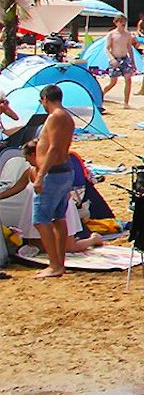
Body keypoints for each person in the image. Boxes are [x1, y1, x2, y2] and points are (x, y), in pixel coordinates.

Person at [28, 87, 76, 278]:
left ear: (45, 99)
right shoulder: (67, 117)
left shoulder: (55, 117)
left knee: (41, 220)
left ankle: (55, 265)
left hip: (54, 173)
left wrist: (40, 175)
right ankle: (59, 264)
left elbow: (54, 148)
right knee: (58, 218)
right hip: (63, 171)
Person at [103, 14, 138, 107]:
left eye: (124, 21)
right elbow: (107, 48)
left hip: (124, 58)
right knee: (113, 82)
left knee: (128, 79)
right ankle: (101, 94)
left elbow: (129, 48)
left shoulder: (127, 34)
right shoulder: (112, 34)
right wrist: (112, 59)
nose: (123, 23)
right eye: (121, 21)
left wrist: (133, 62)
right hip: (115, 58)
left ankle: (126, 103)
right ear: (116, 23)